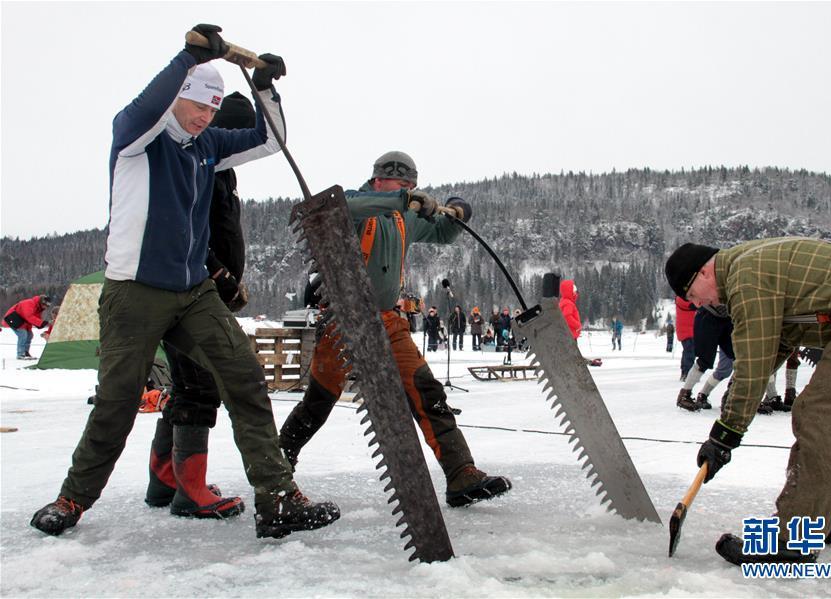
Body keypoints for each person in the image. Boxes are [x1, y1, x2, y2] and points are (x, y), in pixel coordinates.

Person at [30, 25, 340, 540]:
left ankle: (277, 498)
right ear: (178, 97)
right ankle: (72, 498)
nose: (205, 117)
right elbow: (142, 108)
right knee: (118, 399)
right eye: (199, 106)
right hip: (135, 291)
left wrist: (264, 88)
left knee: (243, 377)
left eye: (213, 110)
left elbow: (272, 140)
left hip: (192, 291)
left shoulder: (206, 146)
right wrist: (189, 58)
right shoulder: (136, 142)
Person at [278, 151, 511, 508]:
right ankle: (277, 469)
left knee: (426, 390)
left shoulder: (404, 217)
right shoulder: (357, 205)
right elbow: (342, 205)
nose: (408, 190)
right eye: (402, 184)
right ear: (379, 180)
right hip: (343, 317)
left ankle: (461, 472)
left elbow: (444, 234)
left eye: (412, 186)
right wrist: (400, 200)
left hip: (388, 319)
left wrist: (457, 209)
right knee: (319, 400)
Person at [665, 238, 831, 565]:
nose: (700, 304)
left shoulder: (745, 278)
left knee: (821, 414)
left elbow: (752, 364)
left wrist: (725, 434)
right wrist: (730, 422)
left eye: (692, 296)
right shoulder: (752, 268)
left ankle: (795, 538)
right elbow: (774, 347)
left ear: (703, 273)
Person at [143, 91, 256, 520]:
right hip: (192, 293)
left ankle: (165, 480)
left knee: (188, 387)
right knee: (201, 387)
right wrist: (218, 274)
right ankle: (188, 489)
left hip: (205, 293)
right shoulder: (197, 168)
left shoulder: (219, 172)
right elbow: (183, 229)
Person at [3, 294, 52, 359]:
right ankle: (20, 354)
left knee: (30, 335)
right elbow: (29, 317)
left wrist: (44, 323)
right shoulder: (29, 303)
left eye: (47, 306)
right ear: (41, 302)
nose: (45, 307)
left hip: (23, 322)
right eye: (45, 305)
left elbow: (37, 319)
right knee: (23, 334)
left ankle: (25, 352)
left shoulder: (38, 308)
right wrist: (42, 323)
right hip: (13, 319)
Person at [675, 297, 697, 380]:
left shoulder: (682, 299)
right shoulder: (682, 299)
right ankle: (687, 373)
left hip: (688, 330)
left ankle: (685, 372)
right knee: (689, 352)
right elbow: (690, 305)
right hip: (687, 331)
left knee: (689, 352)